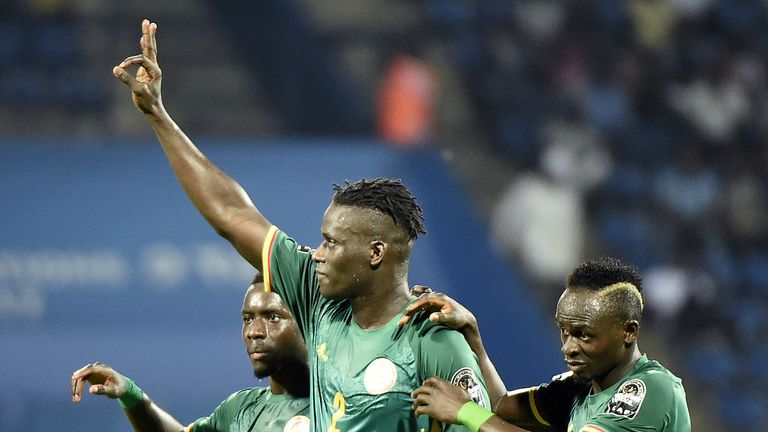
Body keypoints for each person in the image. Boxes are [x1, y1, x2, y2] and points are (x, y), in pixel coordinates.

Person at [113, 18, 490, 431]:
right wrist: (158, 116)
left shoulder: (434, 341)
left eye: (332, 243)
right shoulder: (318, 302)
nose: (319, 254)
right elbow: (234, 216)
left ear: (375, 253)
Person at [402, 257, 691, 432]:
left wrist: (465, 411)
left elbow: (482, 414)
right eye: (564, 331)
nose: (568, 347)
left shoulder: (651, 389)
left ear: (628, 332)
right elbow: (500, 406)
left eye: (583, 335)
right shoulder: (579, 388)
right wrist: (472, 335)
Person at [71, 273, 311, 432]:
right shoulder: (240, 409)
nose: (254, 332)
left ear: (308, 323)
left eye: (272, 317)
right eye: (248, 319)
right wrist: (129, 393)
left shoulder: (339, 403)